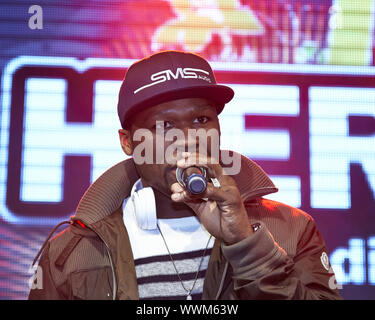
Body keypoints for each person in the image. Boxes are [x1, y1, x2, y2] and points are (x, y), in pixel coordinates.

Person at [28, 50, 342, 300]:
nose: (189, 137)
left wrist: (246, 244)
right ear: (127, 142)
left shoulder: (291, 229)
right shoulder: (70, 252)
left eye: (202, 118)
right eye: (163, 126)